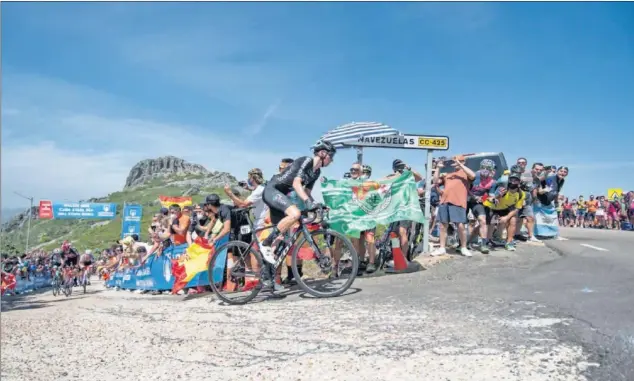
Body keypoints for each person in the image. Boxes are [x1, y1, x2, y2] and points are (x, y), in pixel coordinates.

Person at [260, 140, 336, 267]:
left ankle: (267, 276)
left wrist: (317, 204)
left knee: (281, 240)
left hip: (281, 195)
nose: (332, 160)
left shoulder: (316, 172)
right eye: (331, 156)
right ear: (322, 153)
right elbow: (296, 184)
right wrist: (307, 202)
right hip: (272, 190)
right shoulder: (307, 161)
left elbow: (307, 192)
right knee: (295, 214)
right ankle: (265, 243)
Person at [431, 155, 476, 257]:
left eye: (457, 161)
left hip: (458, 202)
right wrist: (438, 168)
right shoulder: (448, 174)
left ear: (463, 162)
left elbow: (473, 175)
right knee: (443, 225)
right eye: (454, 161)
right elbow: (435, 181)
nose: (454, 163)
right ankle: (442, 248)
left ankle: (463, 247)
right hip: (444, 201)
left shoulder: (465, 174)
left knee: (460, 225)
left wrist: (460, 164)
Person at [384, 159, 424, 256]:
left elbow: (419, 177)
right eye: (397, 167)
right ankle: (396, 254)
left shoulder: (408, 176)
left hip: (407, 208)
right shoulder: (393, 177)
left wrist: (408, 168)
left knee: (402, 231)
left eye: (401, 166)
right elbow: (383, 181)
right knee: (394, 233)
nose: (400, 169)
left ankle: (403, 256)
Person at [483, 173, 525, 251]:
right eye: (511, 180)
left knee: (513, 220)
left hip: (504, 208)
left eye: (515, 180)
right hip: (492, 207)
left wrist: (506, 217)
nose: (513, 182)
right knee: (491, 222)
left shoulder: (521, 194)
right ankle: (487, 240)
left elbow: (517, 208)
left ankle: (509, 243)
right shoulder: (503, 189)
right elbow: (493, 200)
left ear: (519, 182)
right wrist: (498, 195)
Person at [467, 159, 496, 254]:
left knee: (483, 220)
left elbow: (491, 195)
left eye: (488, 168)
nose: (485, 170)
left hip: (477, 203)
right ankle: (462, 243)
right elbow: (465, 188)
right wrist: (474, 196)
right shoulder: (474, 176)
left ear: (491, 169)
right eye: (483, 167)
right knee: (464, 222)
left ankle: (483, 244)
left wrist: (493, 199)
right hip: (466, 200)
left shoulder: (492, 181)